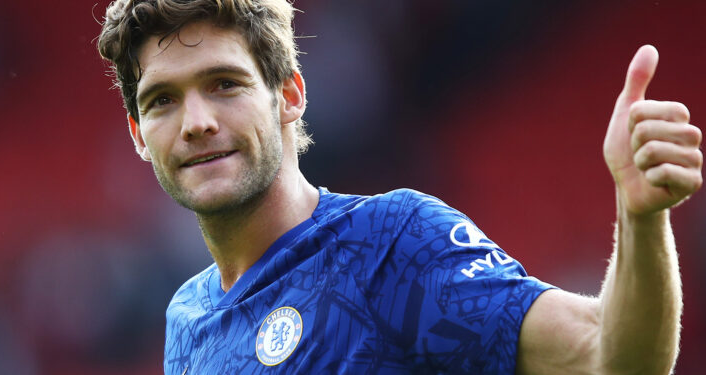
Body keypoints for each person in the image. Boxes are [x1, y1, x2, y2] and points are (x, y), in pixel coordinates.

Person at [96, 1, 702, 374]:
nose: (197, 121)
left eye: (224, 84)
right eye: (163, 101)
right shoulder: (188, 319)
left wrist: (640, 214)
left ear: (289, 96)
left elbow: (615, 361)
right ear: (139, 135)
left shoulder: (389, 245)